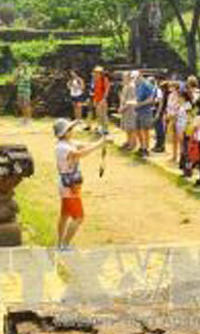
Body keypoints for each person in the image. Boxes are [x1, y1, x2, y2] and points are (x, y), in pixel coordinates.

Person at [53, 118, 109, 251]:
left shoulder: (68, 142)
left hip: (69, 183)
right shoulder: (62, 147)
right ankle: (64, 245)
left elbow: (84, 145)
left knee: (65, 214)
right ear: (64, 133)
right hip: (69, 185)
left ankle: (60, 243)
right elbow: (80, 154)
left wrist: (101, 139)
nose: (72, 131)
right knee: (78, 217)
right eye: (69, 129)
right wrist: (99, 144)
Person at [134, 73, 157, 157]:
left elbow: (151, 99)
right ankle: (142, 147)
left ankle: (146, 149)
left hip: (146, 111)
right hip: (138, 111)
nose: (134, 80)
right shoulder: (138, 85)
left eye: (135, 78)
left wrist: (140, 104)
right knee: (138, 129)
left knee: (145, 130)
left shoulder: (147, 85)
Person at [178, 86, 196, 177]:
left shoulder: (187, 106)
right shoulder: (184, 105)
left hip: (187, 131)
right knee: (184, 150)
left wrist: (182, 131)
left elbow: (188, 120)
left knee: (187, 151)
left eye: (179, 97)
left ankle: (188, 170)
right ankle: (185, 168)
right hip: (184, 130)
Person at [119, 71, 138, 151]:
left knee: (131, 127)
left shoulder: (131, 86)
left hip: (130, 110)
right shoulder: (125, 86)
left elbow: (131, 100)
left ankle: (133, 144)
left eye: (125, 77)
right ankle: (128, 141)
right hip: (125, 109)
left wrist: (123, 107)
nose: (123, 78)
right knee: (127, 127)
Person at [166, 82, 182, 164]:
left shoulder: (179, 96)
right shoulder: (170, 96)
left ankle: (181, 156)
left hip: (178, 119)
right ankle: (174, 156)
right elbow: (168, 107)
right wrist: (168, 115)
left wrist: (174, 115)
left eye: (172, 86)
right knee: (173, 138)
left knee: (180, 139)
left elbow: (179, 107)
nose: (170, 88)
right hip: (171, 118)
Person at [91, 66, 110, 135]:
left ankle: (105, 129)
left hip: (102, 100)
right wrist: (94, 100)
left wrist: (104, 99)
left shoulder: (104, 80)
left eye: (96, 72)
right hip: (97, 99)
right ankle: (100, 128)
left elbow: (107, 90)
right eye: (94, 72)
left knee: (103, 115)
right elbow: (95, 91)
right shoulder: (95, 80)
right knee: (98, 114)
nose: (95, 74)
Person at [153, 80, 170, 153]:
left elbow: (161, 105)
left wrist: (158, 113)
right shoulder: (166, 94)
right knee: (160, 130)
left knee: (160, 130)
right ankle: (159, 145)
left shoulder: (165, 95)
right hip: (163, 113)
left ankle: (160, 146)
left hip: (162, 114)